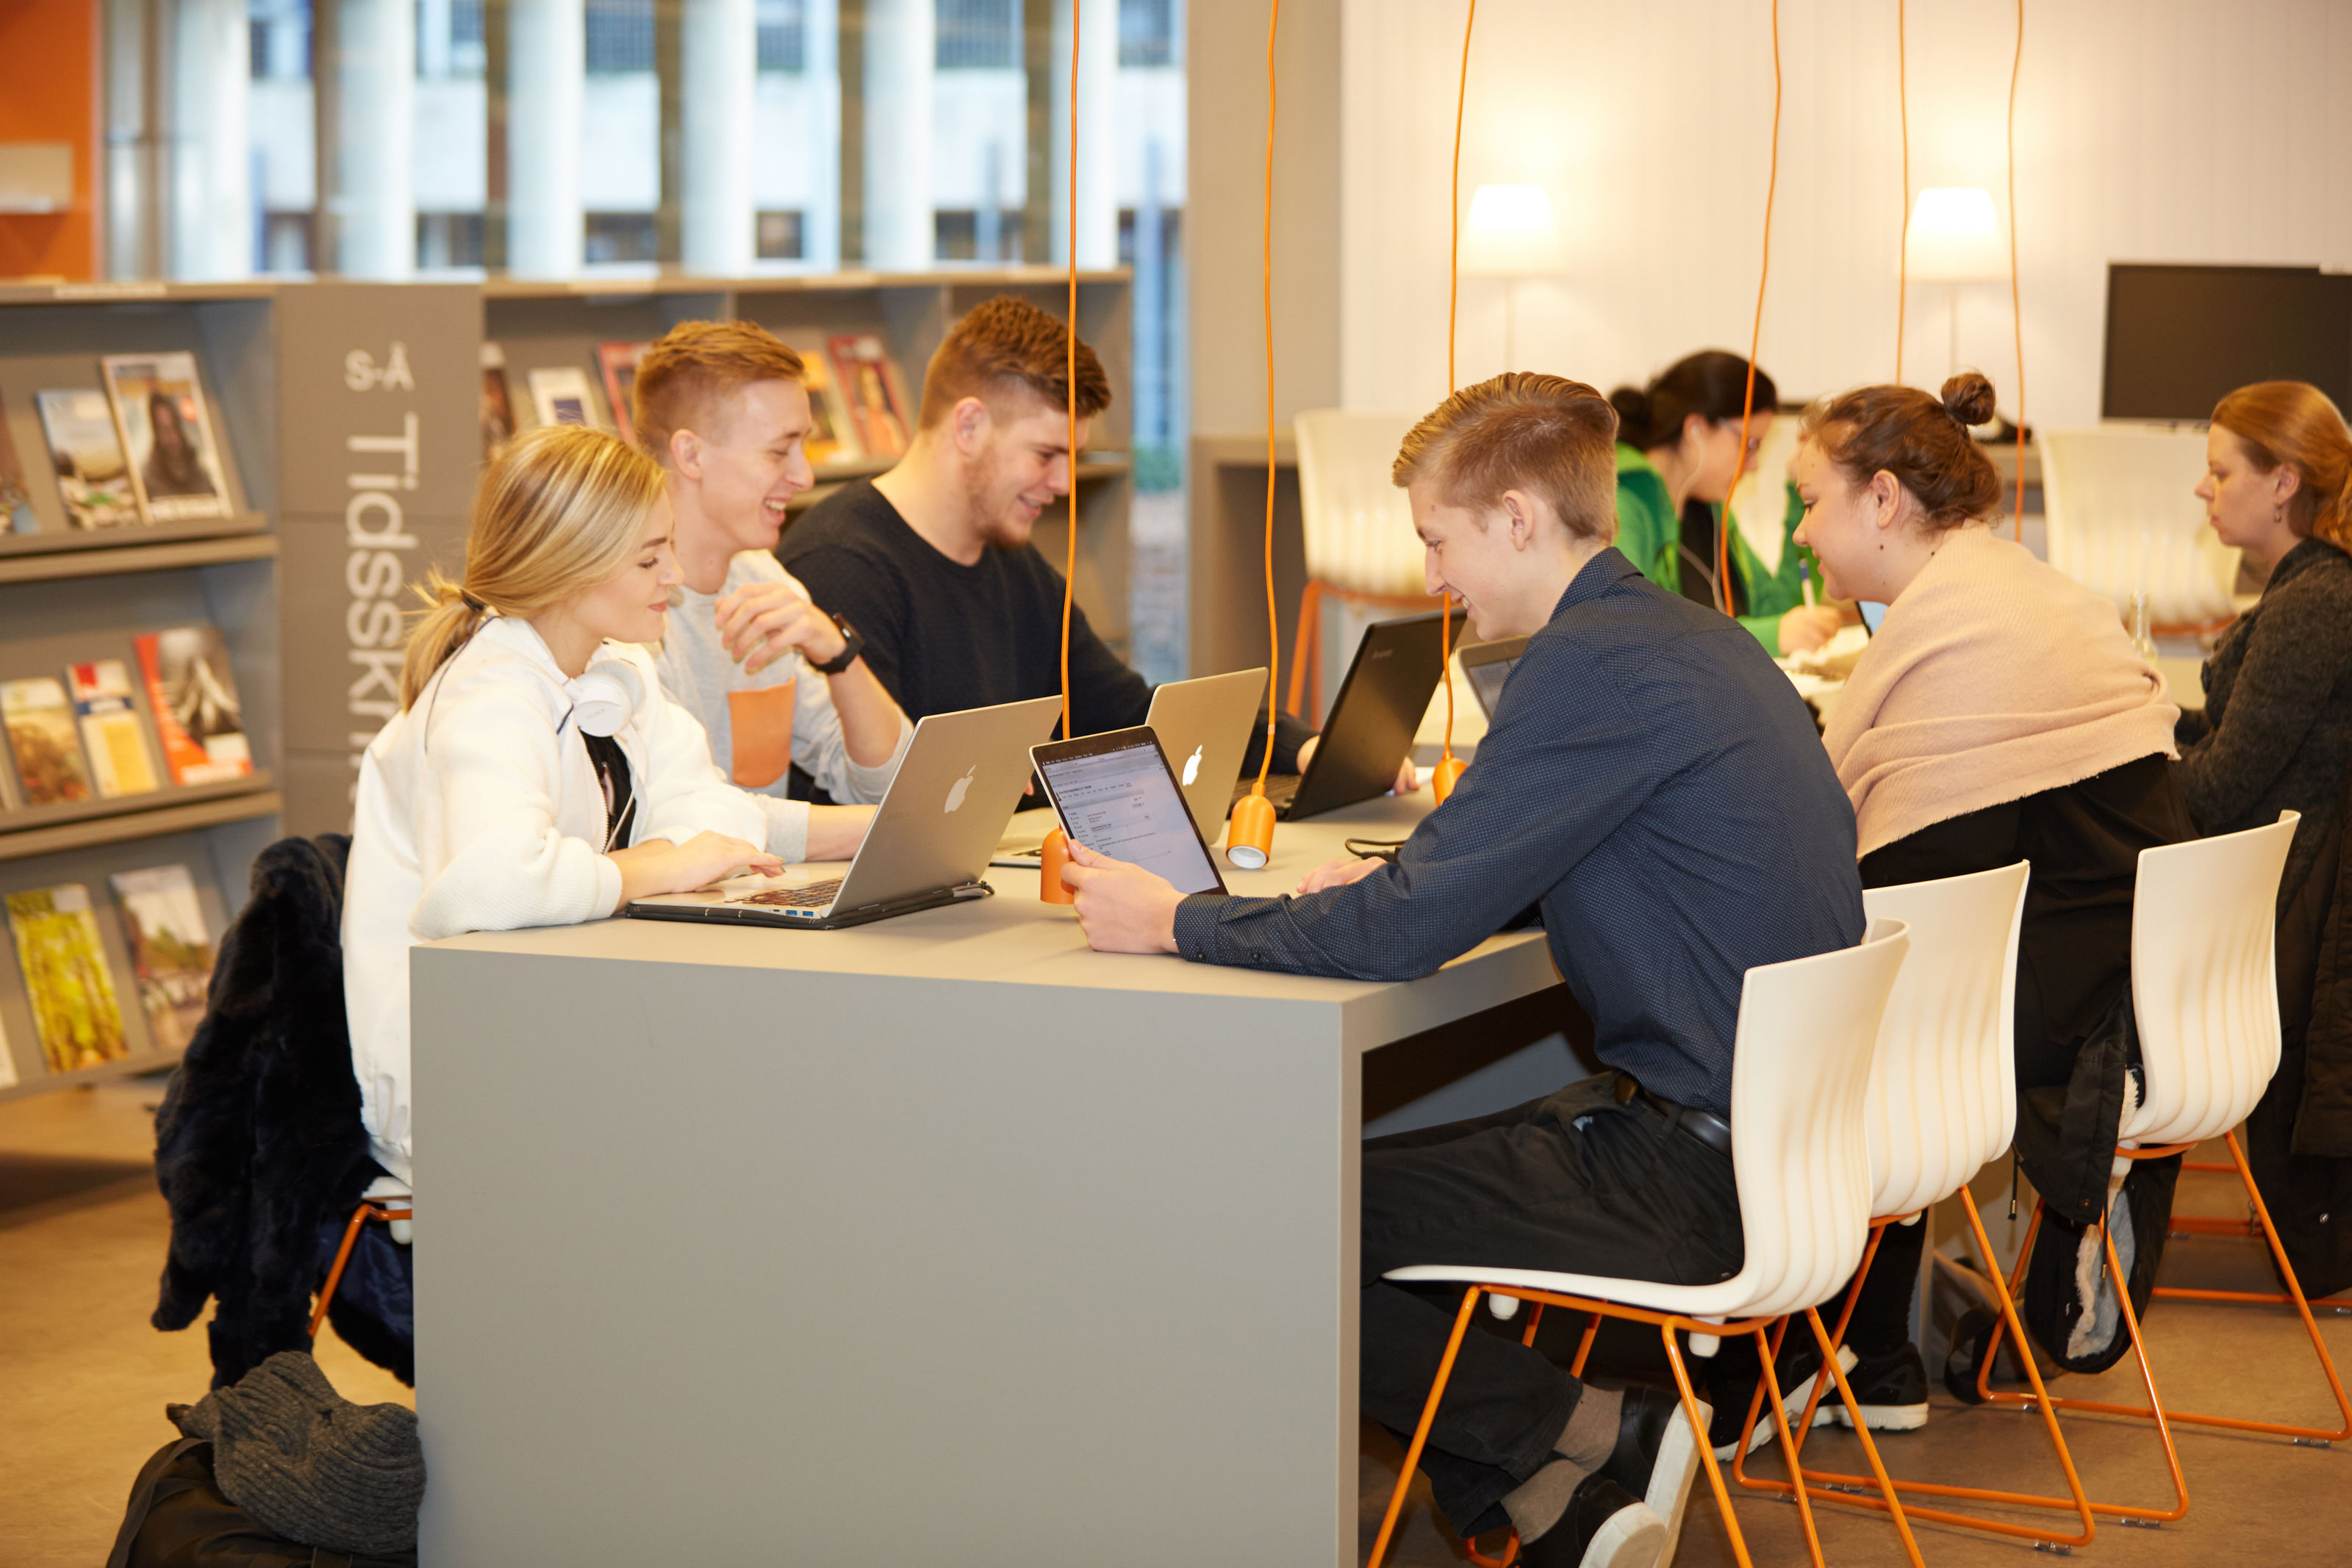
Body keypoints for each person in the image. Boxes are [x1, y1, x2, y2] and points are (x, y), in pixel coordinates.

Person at [1055, 373, 1866, 1567]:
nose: (1432, 575)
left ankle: (1572, 1438)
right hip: (1787, 1137)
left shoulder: (1584, 665)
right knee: (1367, 1169)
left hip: (1700, 1165)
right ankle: (1563, 1467)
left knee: (1274, 1207)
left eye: (1440, 538)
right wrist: (1428, 881)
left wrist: (1177, 917)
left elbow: (1398, 936)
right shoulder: (1681, 636)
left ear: (1518, 517)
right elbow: (1616, 848)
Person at [1786, 372, 2190, 1427]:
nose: (1799, 531)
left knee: (1804, 1015)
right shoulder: (2008, 584)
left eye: (1810, 500)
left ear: (1882, 500)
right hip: (2130, 973)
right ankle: (1873, 1350)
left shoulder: (1957, 626)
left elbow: (1890, 886)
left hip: (2078, 1007)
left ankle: (1811, 1349)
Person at [343, 425, 879, 1187]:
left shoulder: (613, 664)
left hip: (552, 1025)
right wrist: (654, 863)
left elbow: (706, 811)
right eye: (649, 558)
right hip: (457, 1084)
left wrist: (698, 849)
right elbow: (492, 883)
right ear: (569, 568)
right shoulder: (486, 697)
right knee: (765, 1126)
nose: (678, 573)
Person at [781, 295, 1340, 784]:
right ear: (968, 426)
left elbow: (1134, 718)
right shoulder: (838, 566)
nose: (1064, 484)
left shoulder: (1014, 566)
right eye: (1046, 455)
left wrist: (1302, 747)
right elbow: (868, 789)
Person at [2176, 381, 2352, 1298]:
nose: (2202, 491)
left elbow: (2216, 787)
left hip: (2277, 910)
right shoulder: (2306, 593)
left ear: (2280, 483)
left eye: (2218, 472)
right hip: (2282, 892)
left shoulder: (2312, 605)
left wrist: (2123, 750)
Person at [631, 320, 915, 813]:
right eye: (779, 452)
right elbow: (689, 817)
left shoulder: (766, 581)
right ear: (691, 454)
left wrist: (837, 652)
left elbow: (889, 785)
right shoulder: (625, 609)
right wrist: (893, 828)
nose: (804, 475)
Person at [1609, 351, 1843, 656]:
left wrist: (1803, 493)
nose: (1754, 465)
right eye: (1749, 444)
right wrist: (1773, 637)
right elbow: (1635, 632)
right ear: (1696, 429)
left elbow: (1777, 610)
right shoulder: (1622, 504)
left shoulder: (1710, 509)